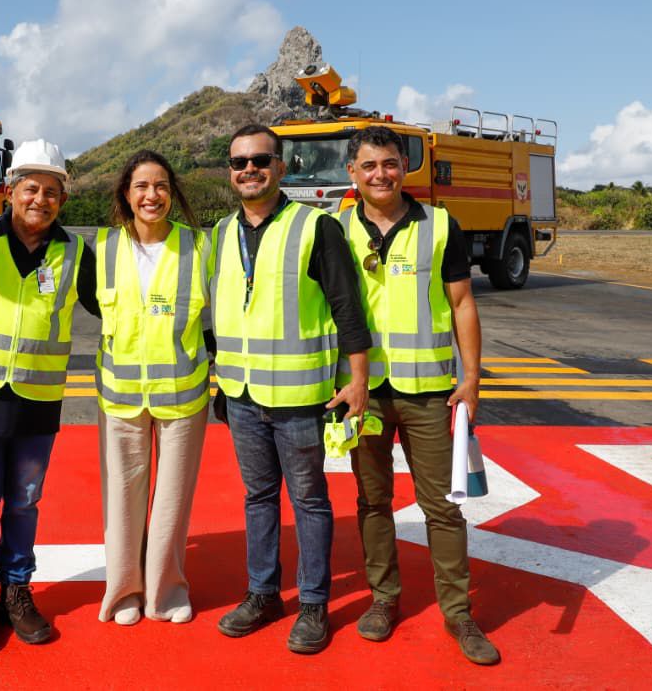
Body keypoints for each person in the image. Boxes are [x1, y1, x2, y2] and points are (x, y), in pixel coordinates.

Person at [209, 123, 371, 654]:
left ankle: (313, 605)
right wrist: (220, 381)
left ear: (281, 167)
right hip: (242, 395)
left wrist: (358, 381)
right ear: (230, 173)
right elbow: (220, 313)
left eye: (260, 160)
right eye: (239, 162)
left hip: (301, 398)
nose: (249, 169)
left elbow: (348, 307)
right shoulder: (220, 233)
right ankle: (263, 594)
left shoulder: (316, 227)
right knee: (258, 498)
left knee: (308, 499)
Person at [341, 125, 499, 666]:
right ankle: (384, 599)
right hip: (365, 393)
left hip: (431, 393)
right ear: (352, 174)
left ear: (404, 168)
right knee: (372, 501)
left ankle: (458, 612)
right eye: (368, 166)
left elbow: (462, 304)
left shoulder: (439, 225)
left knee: (442, 507)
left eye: (389, 163)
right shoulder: (336, 230)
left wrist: (471, 378)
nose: (380, 174)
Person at [0, 138, 98, 654]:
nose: (41, 198)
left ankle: (16, 590)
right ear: (11, 190)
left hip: (38, 401)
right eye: (31, 188)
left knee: (25, 502)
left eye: (52, 191)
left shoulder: (76, 251)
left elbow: (117, 307)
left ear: (63, 199)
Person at [95, 150, 209, 626]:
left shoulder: (200, 246)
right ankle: (124, 593)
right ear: (126, 192)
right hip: (120, 393)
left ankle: (165, 591)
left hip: (183, 393)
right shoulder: (102, 246)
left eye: (160, 185)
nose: (151, 195)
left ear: (172, 192)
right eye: (141, 186)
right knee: (122, 496)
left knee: (172, 499)